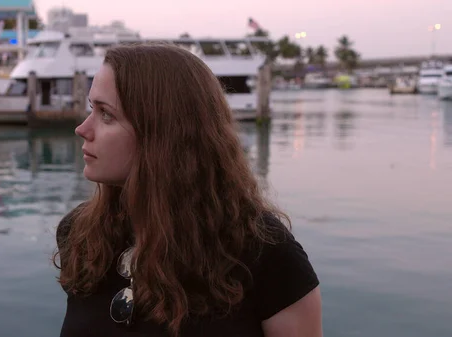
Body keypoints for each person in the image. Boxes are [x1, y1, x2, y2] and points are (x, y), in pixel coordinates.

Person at [54, 43, 322, 337]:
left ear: (162, 133)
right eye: (92, 108)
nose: (82, 128)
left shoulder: (264, 253)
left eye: (106, 114)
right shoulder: (81, 235)